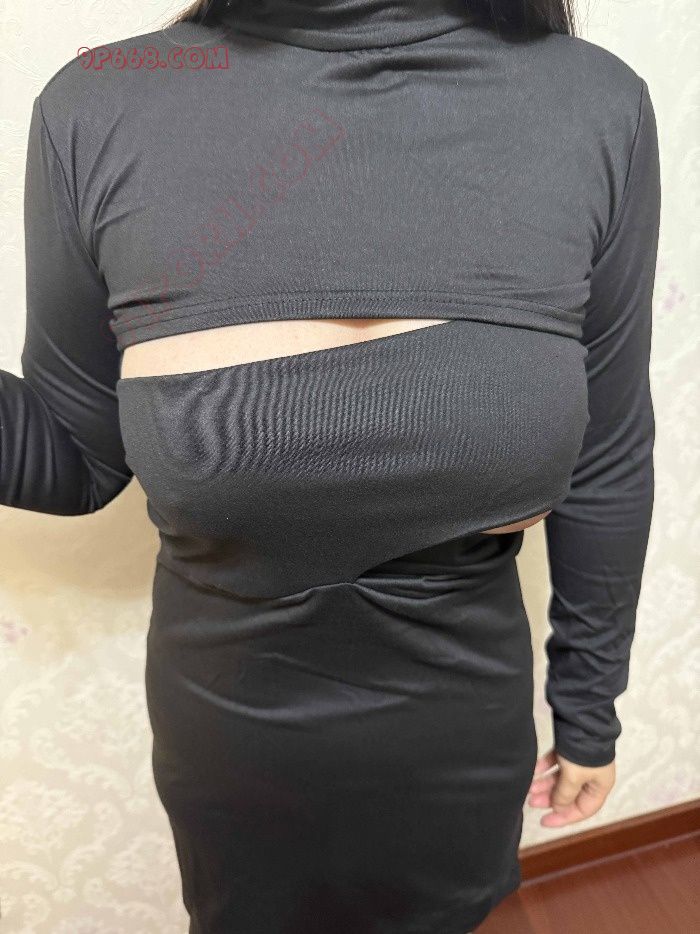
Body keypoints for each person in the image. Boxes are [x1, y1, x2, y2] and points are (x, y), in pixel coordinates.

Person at [0, 0, 660, 930]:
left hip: (460, 718)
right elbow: (74, 458)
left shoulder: (593, 103)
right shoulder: (100, 103)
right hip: (235, 730)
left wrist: (590, 710)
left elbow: (609, 457)